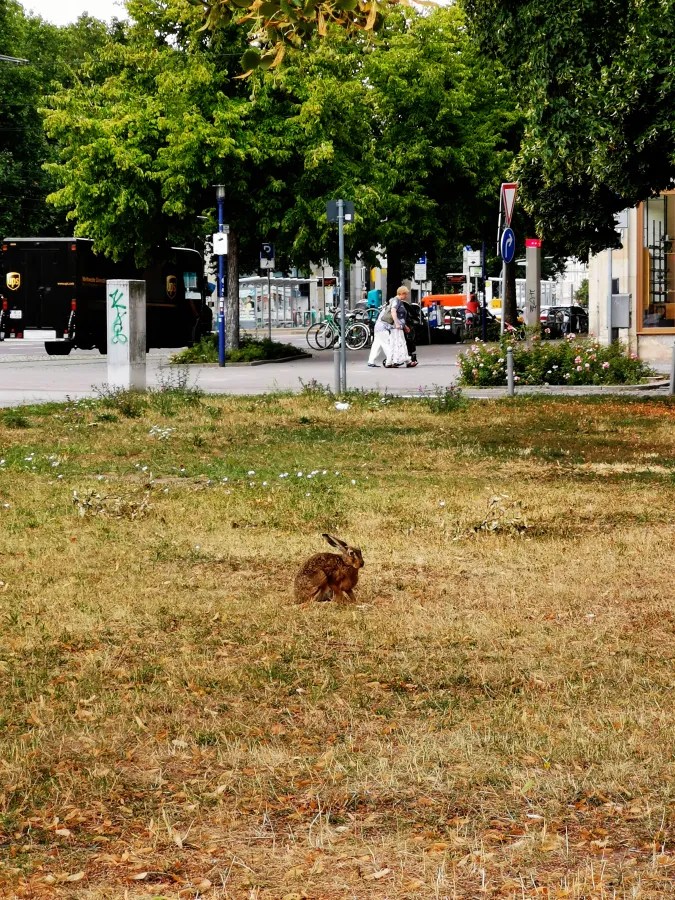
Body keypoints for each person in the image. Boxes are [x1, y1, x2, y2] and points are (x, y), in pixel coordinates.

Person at [384, 286, 413, 368]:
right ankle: (398, 361)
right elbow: (393, 311)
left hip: (396, 326)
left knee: (393, 343)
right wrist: (397, 324)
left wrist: (405, 326)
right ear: (402, 293)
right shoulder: (396, 301)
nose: (406, 296)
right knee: (400, 342)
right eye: (406, 294)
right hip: (396, 326)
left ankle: (389, 362)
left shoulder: (396, 300)